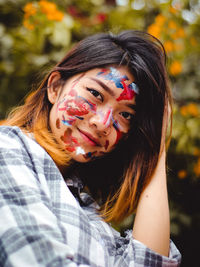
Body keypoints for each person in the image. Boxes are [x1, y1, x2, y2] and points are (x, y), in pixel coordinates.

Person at [0, 30, 181, 266]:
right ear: (55, 87)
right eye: (95, 94)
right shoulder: (8, 148)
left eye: (125, 114)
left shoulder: (90, 213)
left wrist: (157, 149)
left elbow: (148, 261)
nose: (103, 123)